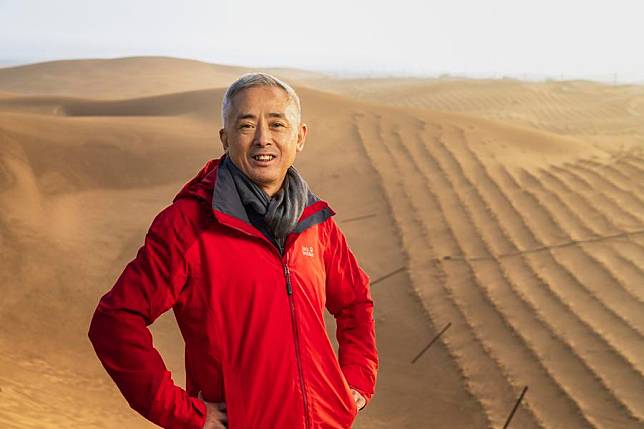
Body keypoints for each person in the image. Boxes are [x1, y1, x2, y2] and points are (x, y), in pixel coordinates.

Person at [88, 73, 378, 429]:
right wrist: (181, 412)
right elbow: (115, 322)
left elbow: (354, 302)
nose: (263, 139)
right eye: (246, 125)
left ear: (299, 136)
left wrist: (357, 381)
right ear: (225, 139)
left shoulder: (315, 223)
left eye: (277, 124)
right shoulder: (188, 225)